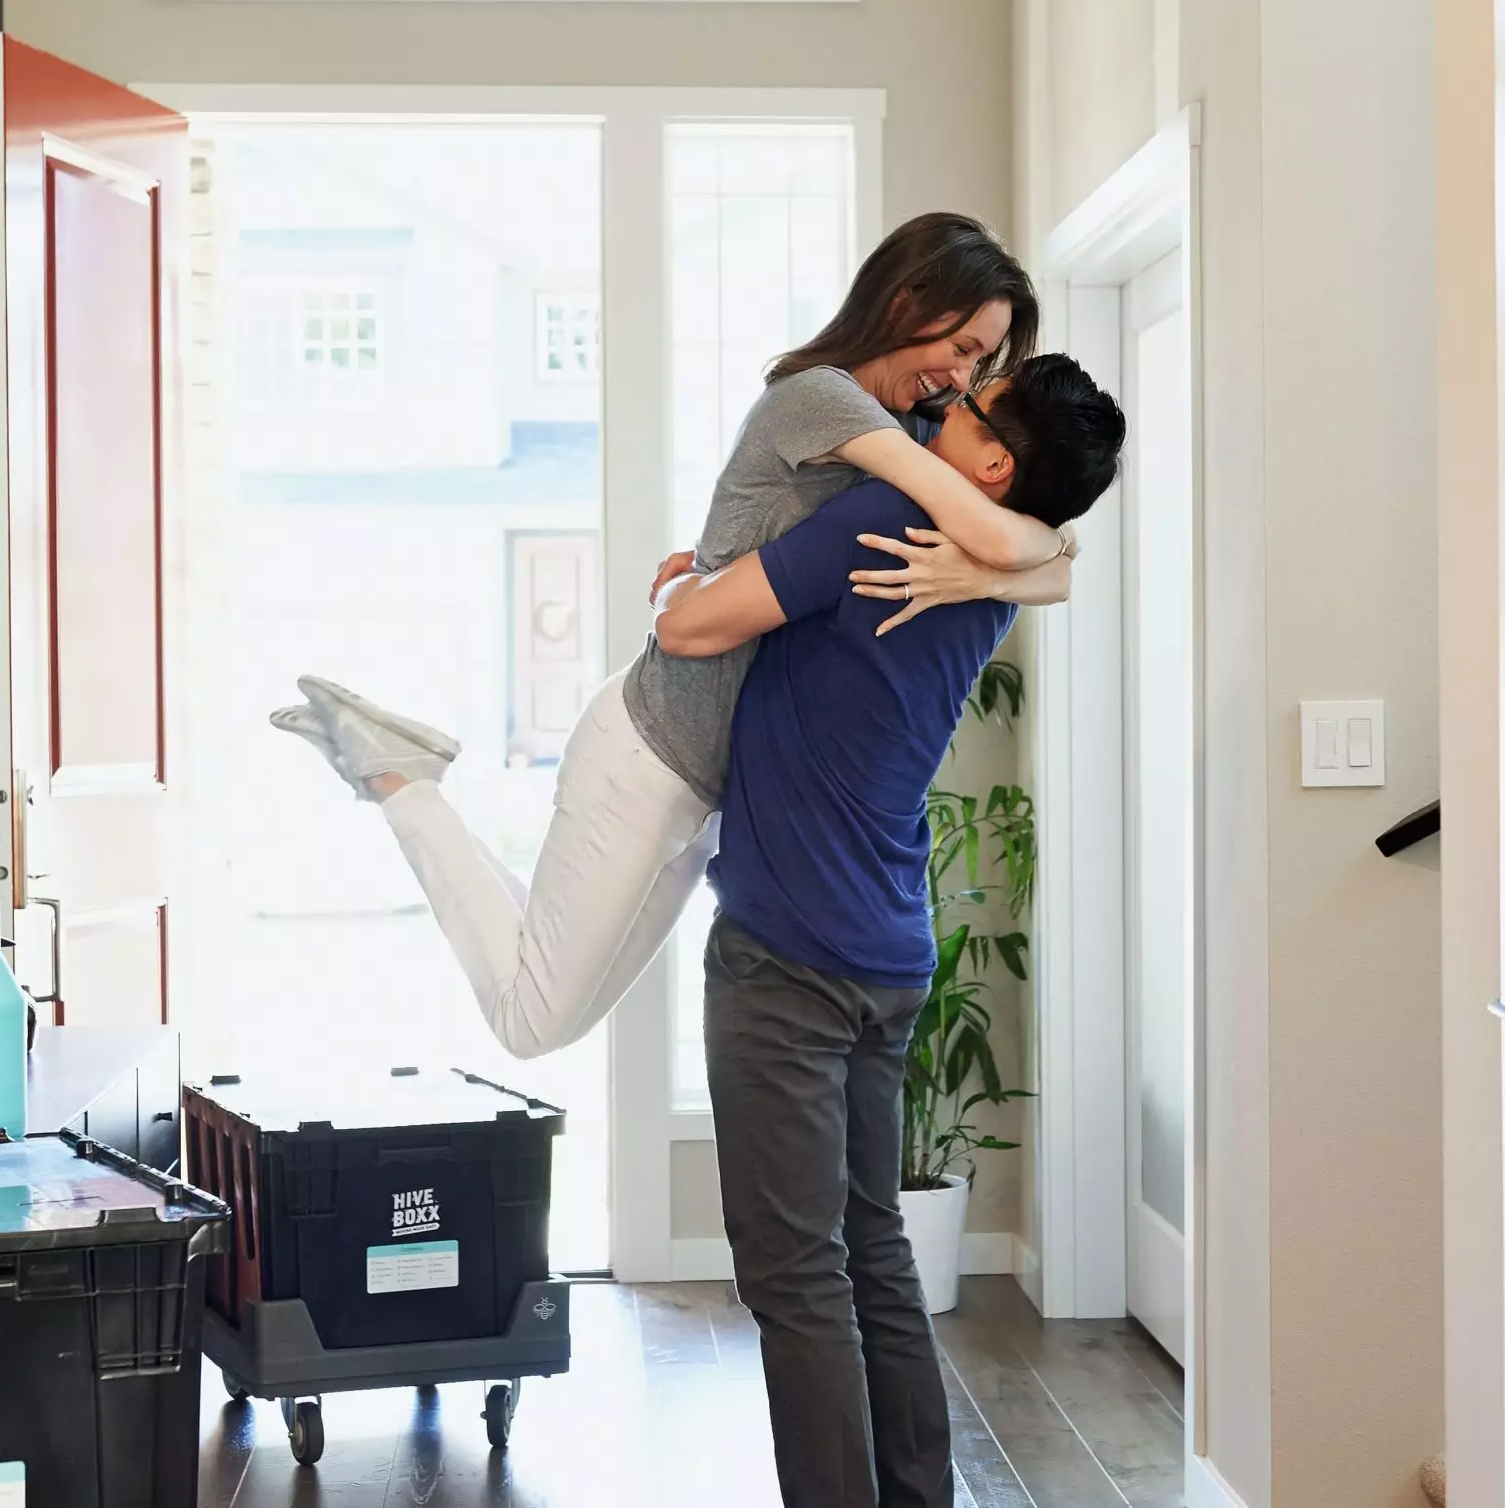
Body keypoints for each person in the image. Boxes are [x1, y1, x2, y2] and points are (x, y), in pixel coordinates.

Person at [272, 214, 1081, 1059]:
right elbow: (1002, 528)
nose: (960, 376)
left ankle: (403, 769)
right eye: (962, 347)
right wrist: (998, 558)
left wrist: (990, 573)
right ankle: (402, 778)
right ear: (909, 298)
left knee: (554, 1008)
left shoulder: (916, 425)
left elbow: (1059, 560)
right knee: (528, 1022)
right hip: (650, 751)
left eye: (979, 363)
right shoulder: (821, 399)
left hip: (705, 794)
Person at [652, 353, 1125, 1508]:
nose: (935, 410)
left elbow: (695, 624)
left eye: (962, 408)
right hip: (884, 948)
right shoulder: (1006, 568)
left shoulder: (889, 517)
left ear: (991, 464)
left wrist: (681, 592)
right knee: (869, 1259)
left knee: (797, 1275)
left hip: (786, 954)